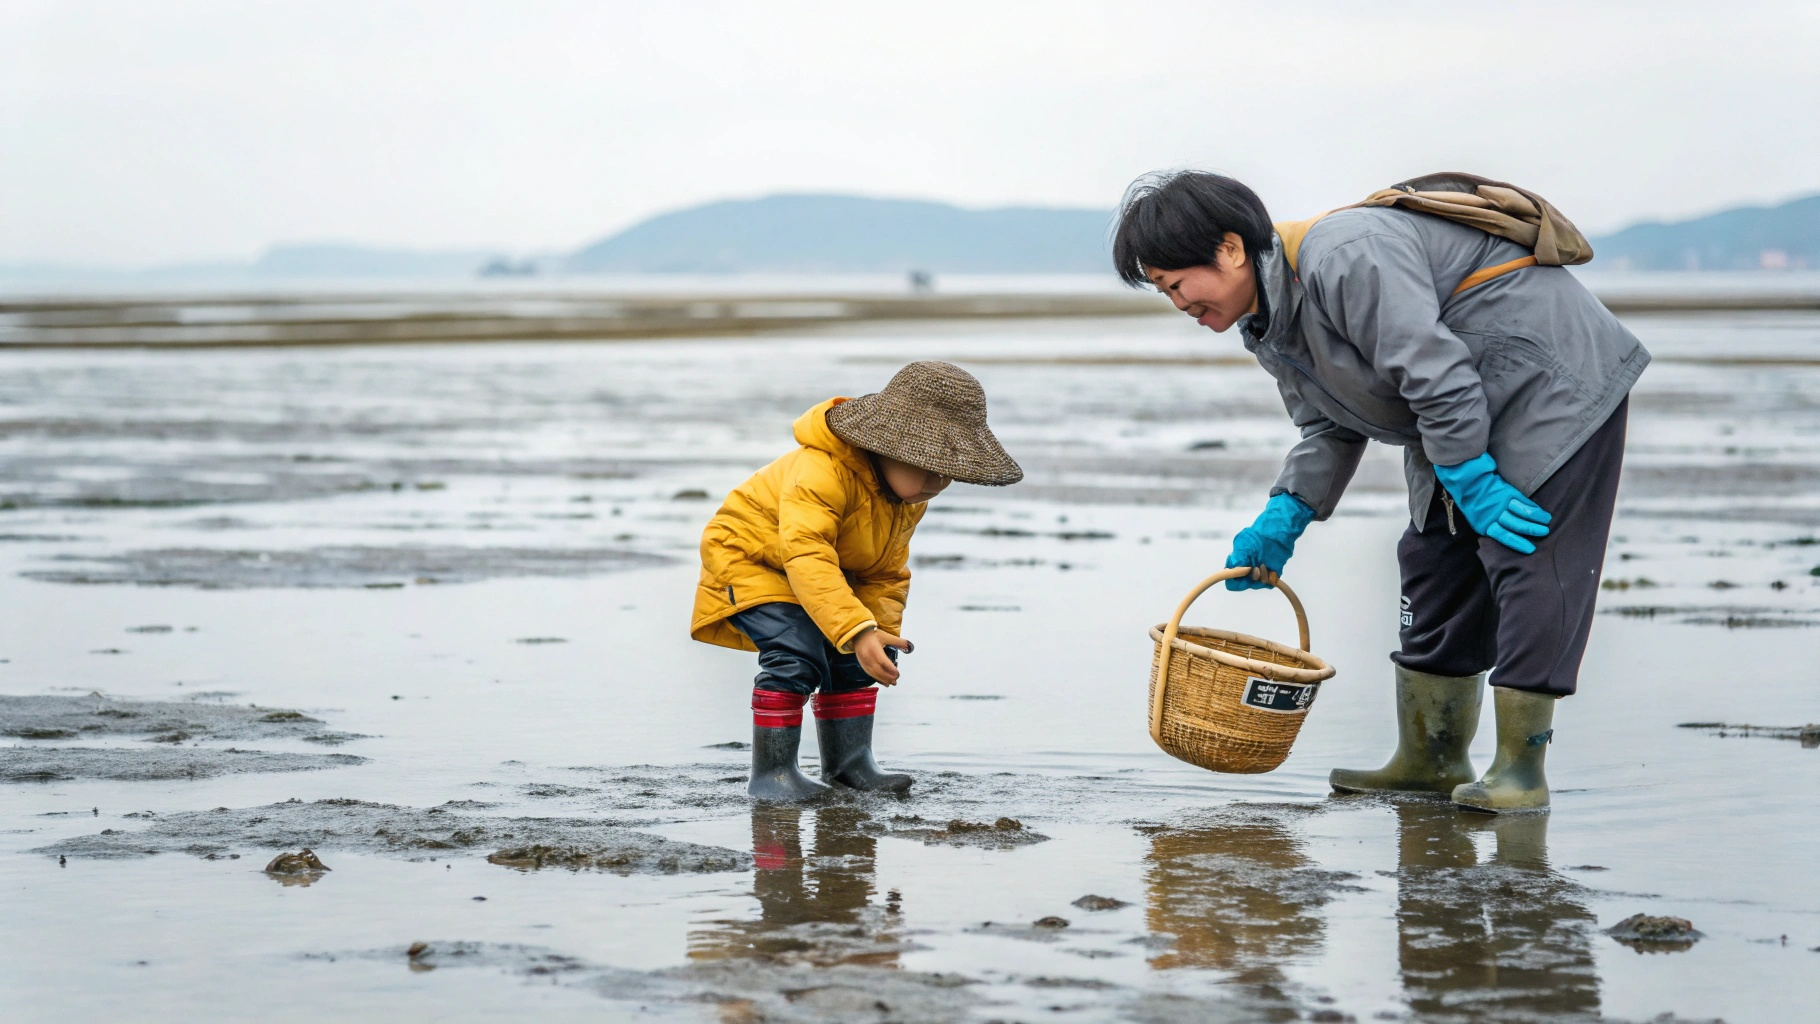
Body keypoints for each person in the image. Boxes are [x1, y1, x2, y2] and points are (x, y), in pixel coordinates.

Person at [1113, 171, 1648, 813]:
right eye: (1165, 292)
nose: (1179, 305)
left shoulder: (1344, 256)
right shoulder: (1268, 324)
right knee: (1433, 557)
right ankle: (1430, 759)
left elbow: (1436, 372)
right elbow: (1326, 425)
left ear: (1229, 249)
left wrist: (1472, 479)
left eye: (1176, 284)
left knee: (1525, 555)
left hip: (1549, 382)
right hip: (1456, 411)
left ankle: (1519, 772)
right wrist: (1285, 515)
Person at [690, 361, 1022, 802]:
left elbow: (884, 572)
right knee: (796, 652)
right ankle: (772, 774)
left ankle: (850, 765)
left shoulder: (906, 498)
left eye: (947, 469)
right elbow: (805, 554)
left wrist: (873, 633)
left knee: (857, 656)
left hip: (823, 571)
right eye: (925, 464)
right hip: (753, 561)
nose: (937, 480)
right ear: (883, 446)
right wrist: (855, 628)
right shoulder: (820, 472)